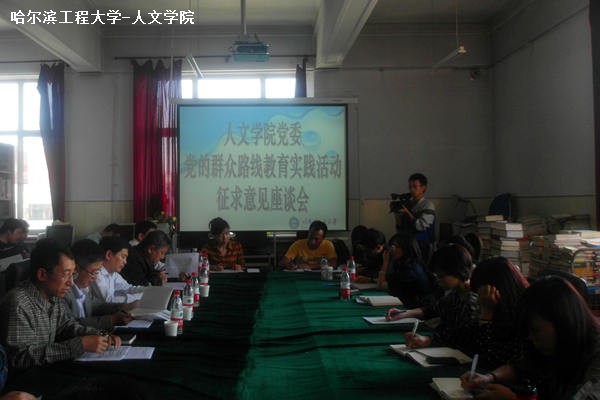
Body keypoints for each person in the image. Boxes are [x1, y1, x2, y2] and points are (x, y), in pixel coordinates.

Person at [461, 276, 600, 400]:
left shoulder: (595, 359)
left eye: (536, 330)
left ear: (563, 321)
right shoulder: (555, 346)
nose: (531, 338)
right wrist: (489, 377)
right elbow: (522, 367)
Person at [0, 238, 121, 369]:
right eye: (65, 274)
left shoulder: (53, 297)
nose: (71, 282)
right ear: (42, 275)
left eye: (72, 275)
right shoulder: (19, 303)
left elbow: (66, 326)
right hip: (25, 378)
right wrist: (78, 345)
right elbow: (20, 359)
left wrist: (99, 334)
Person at [385, 244, 479, 351]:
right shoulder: (456, 292)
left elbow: (459, 338)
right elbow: (432, 310)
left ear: (458, 272)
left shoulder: (470, 301)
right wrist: (403, 313)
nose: (438, 280)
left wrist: (427, 340)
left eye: (441, 276)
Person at [466, 257, 529, 370]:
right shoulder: (492, 307)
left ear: (495, 290)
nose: (478, 299)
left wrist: (487, 314)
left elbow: (488, 358)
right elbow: (469, 345)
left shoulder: (523, 315)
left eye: (481, 292)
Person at [64, 239, 134, 330]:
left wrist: (123, 307)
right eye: (93, 272)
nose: (95, 277)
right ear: (76, 269)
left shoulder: (84, 289)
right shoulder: (64, 292)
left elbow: (98, 305)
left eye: (97, 272)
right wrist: (111, 320)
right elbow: (71, 325)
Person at [380, 233, 437, 309]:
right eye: (391, 246)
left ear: (406, 248)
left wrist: (385, 262)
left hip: (417, 309)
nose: (391, 250)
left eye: (394, 247)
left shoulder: (409, 270)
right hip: (411, 307)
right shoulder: (410, 263)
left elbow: (382, 285)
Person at [91, 236, 145, 303]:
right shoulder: (96, 273)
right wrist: (142, 297)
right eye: (123, 257)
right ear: (109, 255)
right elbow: (108, 300)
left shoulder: (113, 273)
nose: (125, 262)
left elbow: (128, 288)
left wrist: (148, 290)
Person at [393, 173, 436, 244]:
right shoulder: (408, 204)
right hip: (408, 242)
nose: (411, 189)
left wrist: (407, 213)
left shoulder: (428, 205)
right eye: (410, 187)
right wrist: (398, 217)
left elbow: (420, 226)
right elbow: (401, 229)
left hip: (422, 244)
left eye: (415, 187)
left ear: (423, 188)